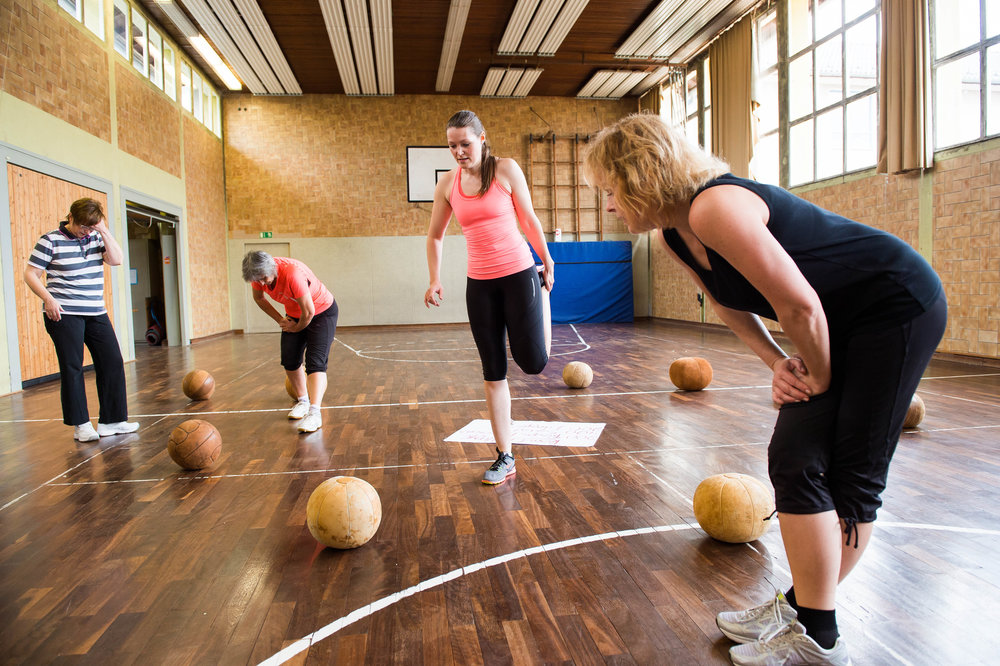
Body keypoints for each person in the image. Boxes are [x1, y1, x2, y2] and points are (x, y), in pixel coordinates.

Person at [583, 114, 946, 665]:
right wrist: (778, 362)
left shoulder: (715, 207)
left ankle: (818, 637)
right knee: (794, 457)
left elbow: (798, 305)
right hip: (837, 324)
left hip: (896, 307)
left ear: (642, 178)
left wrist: (817, 375)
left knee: (854, 472)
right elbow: (731, 303)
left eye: (612, 191)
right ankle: (801, 611)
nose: (610, 205)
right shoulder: (675, 234)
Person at [425, 110, 554, 485]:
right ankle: (505, 456)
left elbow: (528, 219)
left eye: (465, 143)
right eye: (452, 145)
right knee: (493, 371)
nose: (459, 152)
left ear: (482, 139)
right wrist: (434, 278)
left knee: (532, 364)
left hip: (519, 274)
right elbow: (435, 235)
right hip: (479, 285)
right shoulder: (448, 184)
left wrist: (546, 259)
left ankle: (541, 312)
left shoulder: (506, 170)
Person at [23, 198, 140, 442]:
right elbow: (31, 274)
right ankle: (82, 425)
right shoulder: (50, 240)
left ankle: (112, 421)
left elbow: (116, 260)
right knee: (73, 366)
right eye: (82, 227)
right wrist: (49, 299)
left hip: (95, 311)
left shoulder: (97, 238)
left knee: (112, 361)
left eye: (91, 227)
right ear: (70, 217)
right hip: (63, 313)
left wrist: (103, 231)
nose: (85, 232)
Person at [242, 251, 338, 433]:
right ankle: (302, 401)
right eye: (257, 280)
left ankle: (315, 413)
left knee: (315, 362)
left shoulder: (292, 273)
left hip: (321, 313)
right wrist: (281, 320)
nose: (262, 284)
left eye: (264, 278)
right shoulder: (258, 275)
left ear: (272, 269)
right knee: (290, 358)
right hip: (295, 314)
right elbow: (259, 298)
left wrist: (296, 328)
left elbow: (308, 312)